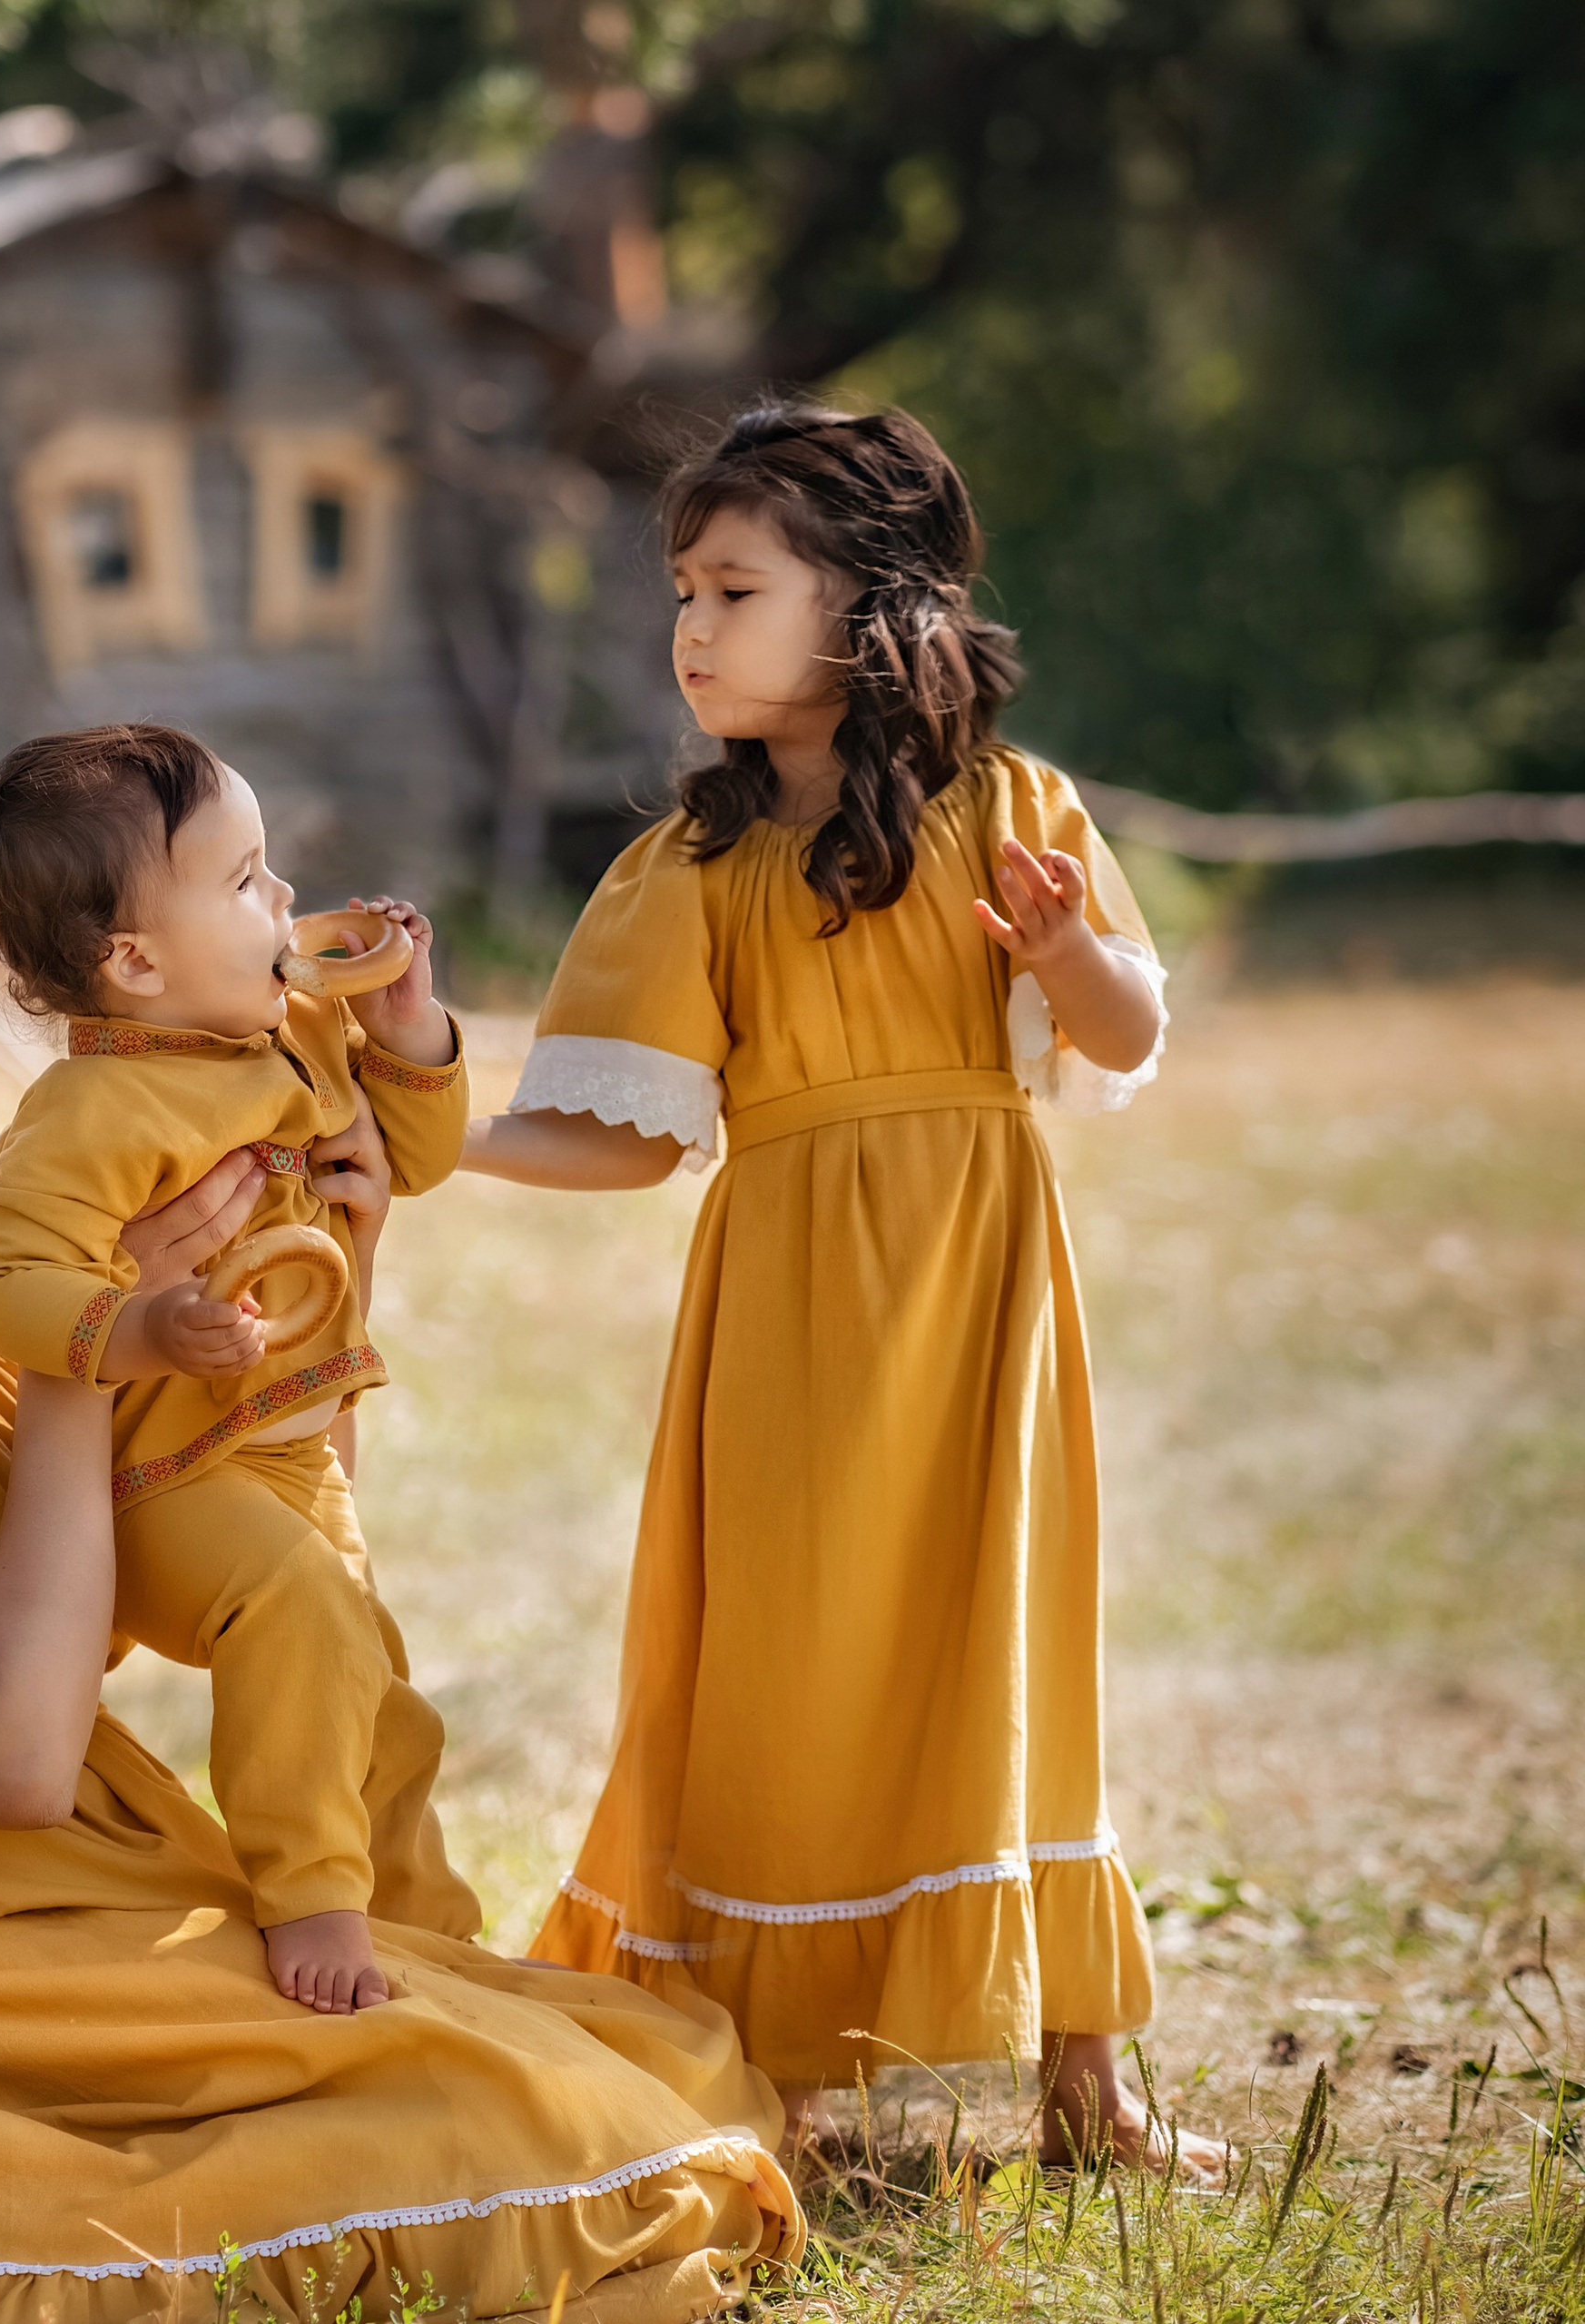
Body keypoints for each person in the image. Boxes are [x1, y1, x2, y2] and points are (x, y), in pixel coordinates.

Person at [0, 792, 801, 2319]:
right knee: (572, 2136)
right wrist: (86, 1353)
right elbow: (12, 1757)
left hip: (86, 1896)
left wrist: (336, 1265)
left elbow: (254, 1522)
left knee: (644, 2068)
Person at [463, 401, 1223, 2177]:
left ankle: (1084, 2082)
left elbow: (1120, 1039)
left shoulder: (1010, 812)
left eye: (733, 588)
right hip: (791, 1316)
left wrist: (1065, 951)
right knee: (781, 1663)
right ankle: (778, 2084)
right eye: (683, 592)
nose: (691, 627)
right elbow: (622, 1139)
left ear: (870, 604)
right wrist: (440, 1136)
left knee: (1004, 1643)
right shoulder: (693, 864)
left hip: (979, 1301)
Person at [0, 725, 472, 2018]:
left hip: (294, 1458)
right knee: (302, 1607)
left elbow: (413, 1157)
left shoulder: (300, 1028)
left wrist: (409, 1032)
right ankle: (312, 1897)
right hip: (167, 1481)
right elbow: (14, 1289)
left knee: (373, 1697)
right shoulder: (88, 1116)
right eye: (244, 881)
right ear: (134, 962)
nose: (285, 897)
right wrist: (143, 1329)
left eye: (270, 866)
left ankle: (437, 1939)